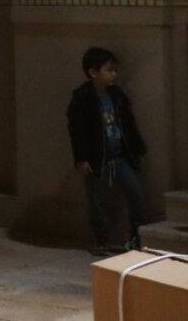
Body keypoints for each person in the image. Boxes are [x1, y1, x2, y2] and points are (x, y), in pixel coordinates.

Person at [66, 46, 149, 256]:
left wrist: (137, 149)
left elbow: (129, 124)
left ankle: (136, 238)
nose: (114, 74)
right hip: (98, 159)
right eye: (109, 70)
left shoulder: (116, 95)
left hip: (120, 156)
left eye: (114, 70)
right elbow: (77, 130)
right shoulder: (83, 98)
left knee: (136, 195)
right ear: (94, 72)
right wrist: (82, 158)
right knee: (97, 201)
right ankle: (101, 240)